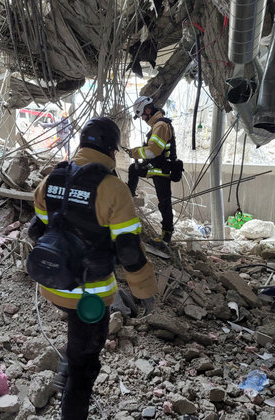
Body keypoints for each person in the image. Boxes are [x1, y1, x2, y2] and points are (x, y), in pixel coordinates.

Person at [28, 116, 157, 419]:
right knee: (86, 365)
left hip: (52, 281)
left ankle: (66, 368)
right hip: (90, 293)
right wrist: (144, 290)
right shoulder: (113, 189)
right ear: (113, 152)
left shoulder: (51, 180)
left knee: (78, 339)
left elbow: (36, 231)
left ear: (81, 144)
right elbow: (127, 249)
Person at [127, 95, 176, 245]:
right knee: (133, 169)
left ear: (148, 110)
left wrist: (135, 152)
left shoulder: (160, 126)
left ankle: (166, 237)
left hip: (161, 170)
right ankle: (129, 197)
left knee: (164, 202)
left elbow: (153, 151)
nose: (142, 118)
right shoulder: (157, 125)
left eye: (142, 114)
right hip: (156, 167)